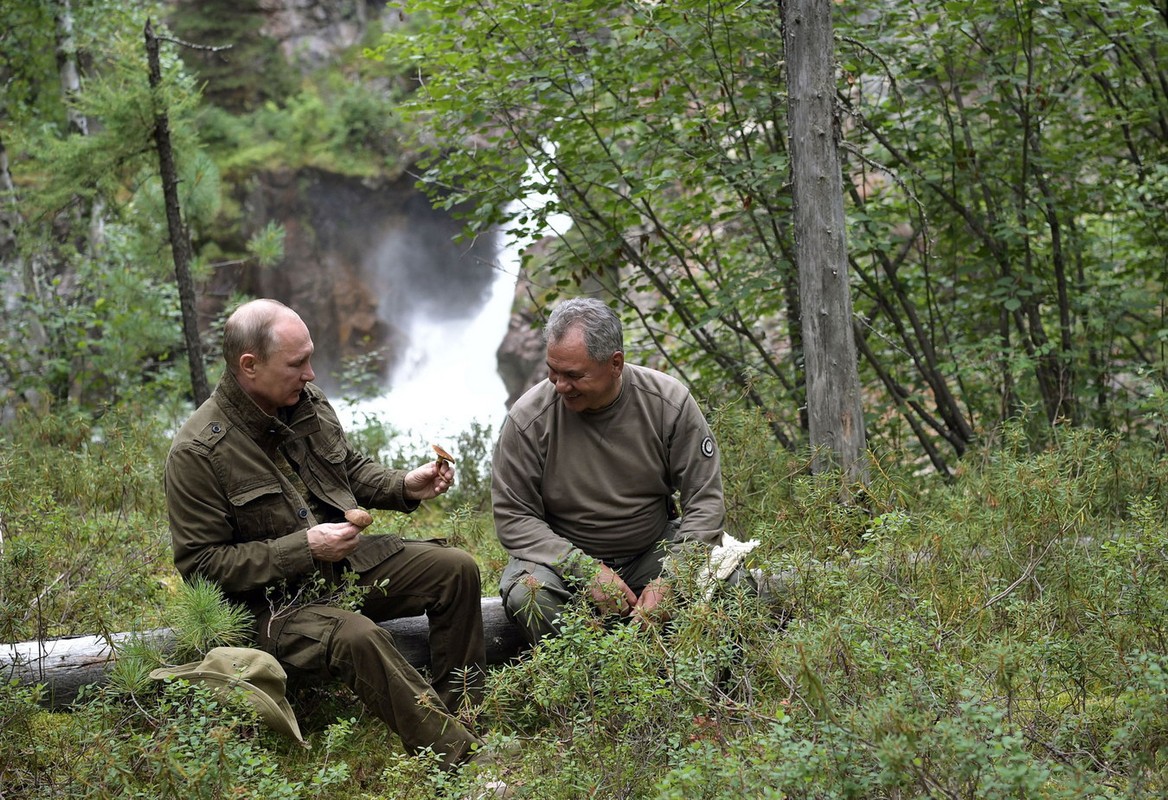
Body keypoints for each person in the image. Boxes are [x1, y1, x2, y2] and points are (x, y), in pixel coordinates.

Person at [164, 298, 486, 770]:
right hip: (271, 607)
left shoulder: (303, 400)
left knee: (455, 569)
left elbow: (345, 469)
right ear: (249, 366)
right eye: (298, 363)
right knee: (357, 635)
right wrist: (305, 547)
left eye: (310, 357)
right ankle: (457, 759)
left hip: (340, 571)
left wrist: (402, 485)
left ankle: (461, 715)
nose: (312, 374)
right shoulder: (197, 452)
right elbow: (202, 567)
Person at [492, 296, 728, 645]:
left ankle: (670, 675)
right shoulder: (528, 419)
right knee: (527, 595)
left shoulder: (668, 404)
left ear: (615, 363)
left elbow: (705, 502)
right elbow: (513, 517)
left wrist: (672, 581)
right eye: (552, 371)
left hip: (651, 551)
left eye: (573, 375)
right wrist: (584, 570)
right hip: (562, 563)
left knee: (728, 582)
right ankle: (588, 681)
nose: (559, 386)